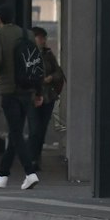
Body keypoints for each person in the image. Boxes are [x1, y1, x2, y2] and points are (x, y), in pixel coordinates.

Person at [0, 3, 39, 190]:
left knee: (16, 133)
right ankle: (2, 175)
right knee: (15, 132)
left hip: (9, 89)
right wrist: (38, 91)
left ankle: (30, 173)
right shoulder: (28, 34)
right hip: (27, 89)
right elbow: (36, 62)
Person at [27, 26, 66, 166]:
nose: (44, 41)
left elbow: (59, 73)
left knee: (42, 129)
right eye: (41, 38)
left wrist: (50, 78)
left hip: (48, 96)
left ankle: (35, 158)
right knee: (35, 129)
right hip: (32, 97)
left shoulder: (48, 54)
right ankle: (31, 158)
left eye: (44, 38)